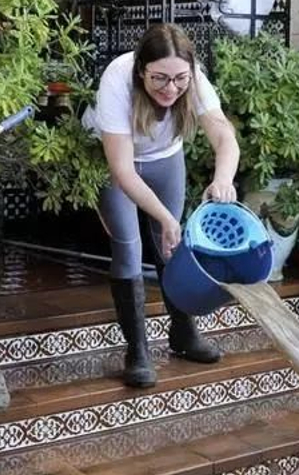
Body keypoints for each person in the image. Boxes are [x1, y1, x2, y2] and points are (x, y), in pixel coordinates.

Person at [83, 23, 241, 388]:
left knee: (171, 248)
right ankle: (137, 351)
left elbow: (224, 136)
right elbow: (122, 170)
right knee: (128, 247)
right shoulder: (117, 79)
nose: (171, 88)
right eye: (159, 79)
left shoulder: (193, 79)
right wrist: (167, 217)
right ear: (142, 70)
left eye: (179, 79)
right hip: (114, 165)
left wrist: (223, 179)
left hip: (165, 159)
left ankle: (183, 333)